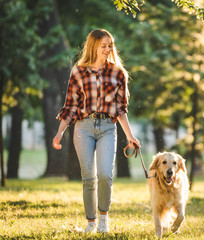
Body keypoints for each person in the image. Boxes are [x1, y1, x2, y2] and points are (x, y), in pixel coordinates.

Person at [52, 29, 140, 233]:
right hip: (83, 127)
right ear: (93, 46)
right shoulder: (78, 72)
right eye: (104, 45)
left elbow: (120, 110)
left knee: (105, 175)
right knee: (88, 177)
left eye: (110, 45)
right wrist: (59, 133)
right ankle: (90, 223)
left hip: (108, 128)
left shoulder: (118, 73)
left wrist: (130, 136)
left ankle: (103, 220)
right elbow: (71, 107)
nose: (108, 49)